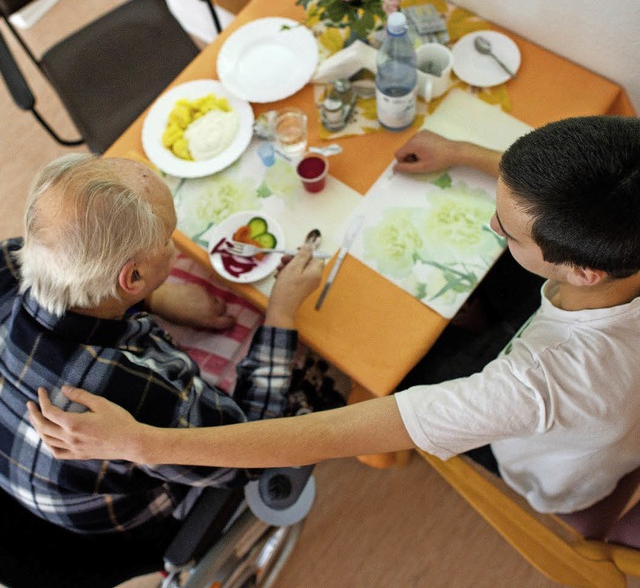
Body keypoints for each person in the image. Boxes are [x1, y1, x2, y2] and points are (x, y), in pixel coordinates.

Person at [29, 116, 640, 516]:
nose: (491, 225)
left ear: (584, 269)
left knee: (396, 368)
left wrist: (139, 441)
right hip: (597, 406)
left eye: (506, 231)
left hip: (553, 476)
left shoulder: (540, 383)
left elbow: (336, 433)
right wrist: (461, 152)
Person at [0, 153, 324, 548]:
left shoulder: (14, 258)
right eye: (168, 238)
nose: (175, 246)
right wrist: (282, 310)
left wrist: (157, 298)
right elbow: (250, 447)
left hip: (25, 465)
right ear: (132, 276)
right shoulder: (134, 387)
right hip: (113, 516)